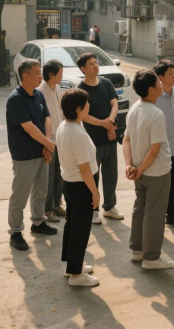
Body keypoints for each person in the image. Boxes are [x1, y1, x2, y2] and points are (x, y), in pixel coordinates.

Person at [124, 70, 174, 270]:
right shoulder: (156, 114)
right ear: (151, 89)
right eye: (159, 82)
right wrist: (139, 169)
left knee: (140, 208)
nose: (162, 84)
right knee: (154, 214)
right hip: (156, 172)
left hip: (139, 170)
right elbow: (155, 151)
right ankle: (151, 258)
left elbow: (126, 139)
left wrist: (131, 166)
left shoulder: (134, 108)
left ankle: (137, 250)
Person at [6, 58, 58, 251]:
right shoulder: (16, 100)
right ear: (25, 76)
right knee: (20, 195)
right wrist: (49, 144)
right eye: (37, 73)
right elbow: (28, 128)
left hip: (41, 152)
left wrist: (47, 144)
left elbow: (47, 119)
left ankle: (38, 222)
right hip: (24, 155)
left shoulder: (38, 94)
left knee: (40, 192)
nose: (41, 77)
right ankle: (16, 232)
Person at [56, 89, 101, 286]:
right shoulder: (76, 133)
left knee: (72, 226)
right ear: (78, 108)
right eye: (86, 103)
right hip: (81, 185)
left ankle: (72, 265)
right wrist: (95, 192)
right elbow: (84, 169)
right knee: (80, 229)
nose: (89, 106)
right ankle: (76, 275)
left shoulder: (65, 126)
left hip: (70, 183)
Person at [78, 52, 124, 223]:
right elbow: (84, 116)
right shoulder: (81, 90)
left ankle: (109, 207)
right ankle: (93, 209)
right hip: (93, 140)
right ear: (83, 69)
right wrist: (104, 124)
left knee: (111, 175)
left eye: (96, 63)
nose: (95, 66)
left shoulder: (106, 83)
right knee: (93, 176)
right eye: (91, 64)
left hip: (110, 137)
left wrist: (111, 121)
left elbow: (114, 104)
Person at [153, 59, 174, 227]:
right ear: (160, 77)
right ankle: (157, 215)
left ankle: (171, 213)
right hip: (160, 148)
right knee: (160, 184)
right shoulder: (155, 97)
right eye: (170, 74)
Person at [38, 59, 67, 223]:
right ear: (51, 74)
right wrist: (46, 142)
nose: (62, 76)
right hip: (48, 140)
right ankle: (47, 209)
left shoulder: (57, 88)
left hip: (59, 137)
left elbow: (61, 110)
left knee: (58, 175)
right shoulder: (40, 92)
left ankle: (57, 204)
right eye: (60, 73)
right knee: (48, 177)